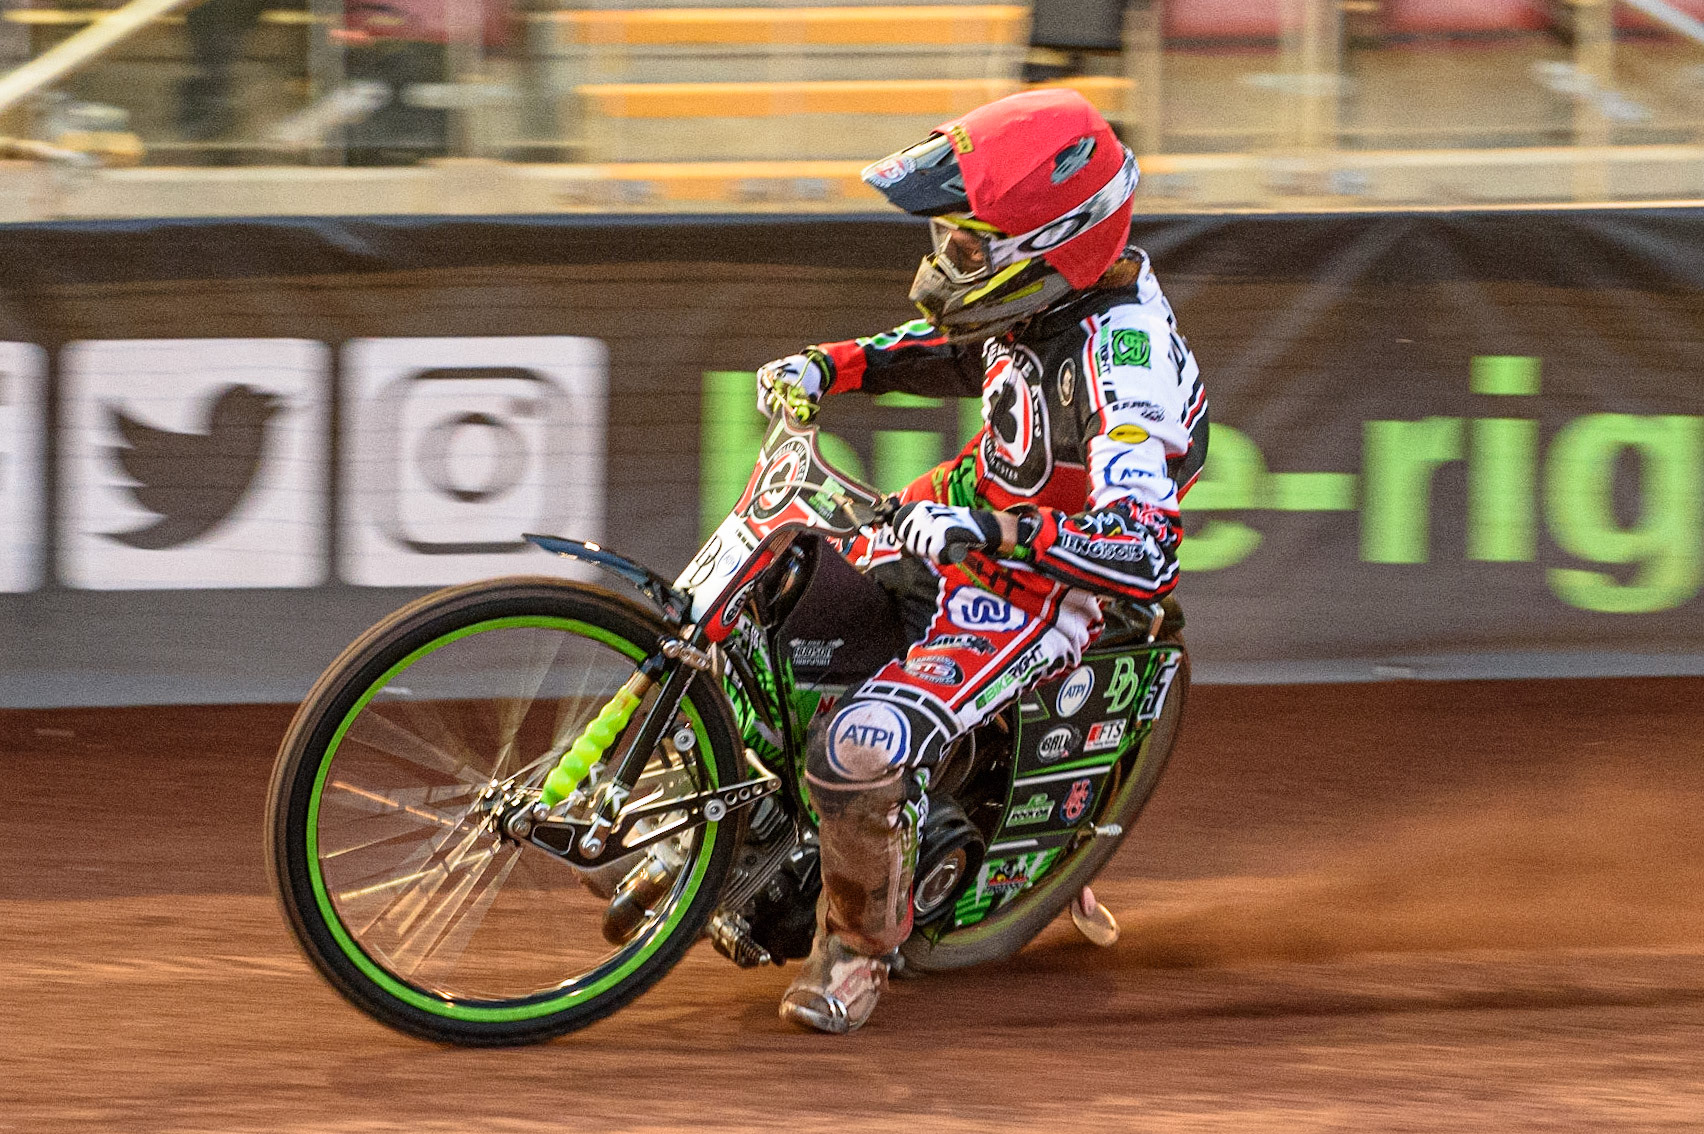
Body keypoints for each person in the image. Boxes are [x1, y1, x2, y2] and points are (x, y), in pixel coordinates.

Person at [752, 87, 1209, 1034]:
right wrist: (828, 366)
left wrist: (993, 538)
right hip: (976, 503)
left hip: (1044, 584)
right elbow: (960, 351)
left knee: (859, 750)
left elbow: (1145, 546)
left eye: (967, 247)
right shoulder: (1050, 297)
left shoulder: (1121, 365)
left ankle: (858, 952)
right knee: (782, 598)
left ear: (1048, 242)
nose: (944, 262)